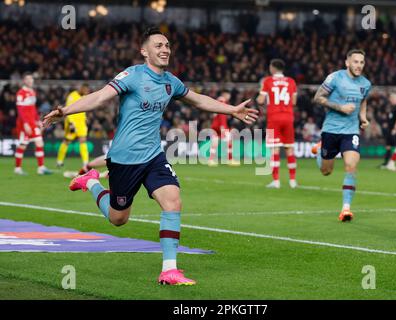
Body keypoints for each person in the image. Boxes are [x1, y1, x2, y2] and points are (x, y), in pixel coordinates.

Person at [43, 27, 258, 286]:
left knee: (173, 201)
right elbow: (100, 98)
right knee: (118, 219)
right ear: (144, 51)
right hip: (124, 158)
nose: (165, 49)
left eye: (167, 45)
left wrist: (232, 110)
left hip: (154, 155)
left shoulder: (171, 81)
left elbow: (198, 100)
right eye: (158, 45)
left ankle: (169, 270)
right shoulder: (132, 75)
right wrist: (65, 111)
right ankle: (90, 181)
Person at [311, 49, 371, 222]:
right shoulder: (335, 78)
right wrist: (340, 107)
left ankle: (346, 209)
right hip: (331, 130)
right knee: (326, 171)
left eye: (361, 62)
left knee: (351, 166)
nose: (359, 65)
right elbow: (318, 97)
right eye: (355, 62)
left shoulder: (366, 84)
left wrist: (363, 117)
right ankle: (320, 148)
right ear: (347, 63)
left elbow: (363, 100)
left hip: (351, 132)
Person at [256, 59, 298, 189]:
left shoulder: (267, 81)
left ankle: (276, 181)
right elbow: (294, 102)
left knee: (275, 149)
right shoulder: (291, 81)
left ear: (273, 68)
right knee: (289, 149)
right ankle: (292, 181)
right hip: (288, 117)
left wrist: (260, 94)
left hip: (274, 118)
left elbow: (261, 100)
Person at [14, 72, 52, 175]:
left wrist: (37, 120)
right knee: (22, 145)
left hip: (32, 122)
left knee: (39, 142)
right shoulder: (20, 93)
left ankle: (41, 168)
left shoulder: (32, 92)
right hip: (23, 124)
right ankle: (17, 169)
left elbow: (33, 108)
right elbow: (20, 109)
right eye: (28, 79)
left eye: (31, 79)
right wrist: (25, 123)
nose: (30, 81)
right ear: (24, 81)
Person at [56, 83, 91, 167]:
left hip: (81, 123)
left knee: (83, 140)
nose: (87, 92)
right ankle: (59, 161)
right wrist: (71, 123)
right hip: (72, 122)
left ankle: (86, 162)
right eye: (85, 90)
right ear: (81, 88)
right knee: (67, 141)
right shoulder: (72, 96)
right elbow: (68, 110)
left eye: (88, 90)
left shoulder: (84, 97)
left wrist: (85, 117)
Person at [207, 90, 239, 166]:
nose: (229, 97)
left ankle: (211, 160)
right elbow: (221, 114)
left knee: (215, 142)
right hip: (221, 125)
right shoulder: (222, 101)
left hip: (215, 124)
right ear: (225, 94)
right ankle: (230, 160)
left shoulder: (216, 101)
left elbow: (214, 114)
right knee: (229, 141)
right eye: (228, 95)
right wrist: (222, 126)